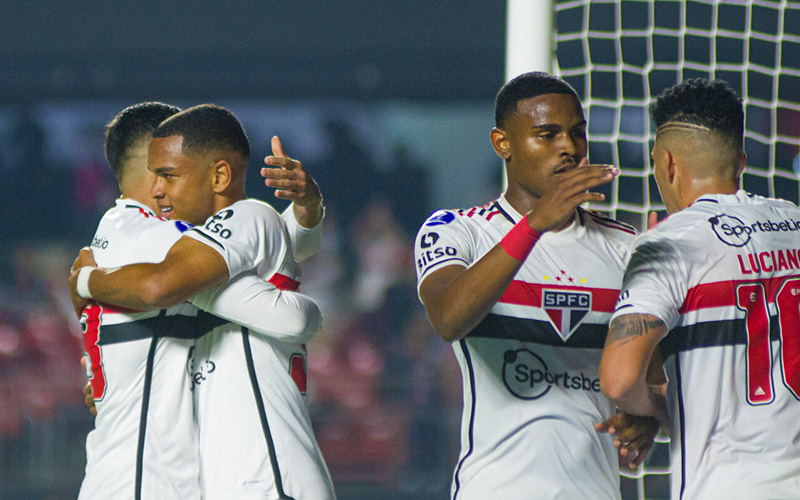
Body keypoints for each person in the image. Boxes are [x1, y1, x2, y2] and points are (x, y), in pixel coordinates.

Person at [414, 71, 659, 500]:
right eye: (547, 135)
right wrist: (535, 225)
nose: (569, 147)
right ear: (502, 143)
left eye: (576, 134)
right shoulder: (457, 231)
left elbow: (653, 377)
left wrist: (651, 415)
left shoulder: (625, 247)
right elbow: (448, 318)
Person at [71, 103, 333, 499]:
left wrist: (86, 281)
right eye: (160, 171)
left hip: (259, 476)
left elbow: (266, 244)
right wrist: (302, 308)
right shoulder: (148, 237)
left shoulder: (122, 239)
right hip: (151, 483)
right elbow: (167, 284)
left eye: (172, 172)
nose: (163, 188)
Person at [599, 78, 800, 499]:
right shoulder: (794, 223)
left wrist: (659, 413)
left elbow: (619, 380)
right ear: (741, 161)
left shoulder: (671, 242)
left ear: (667, 163)